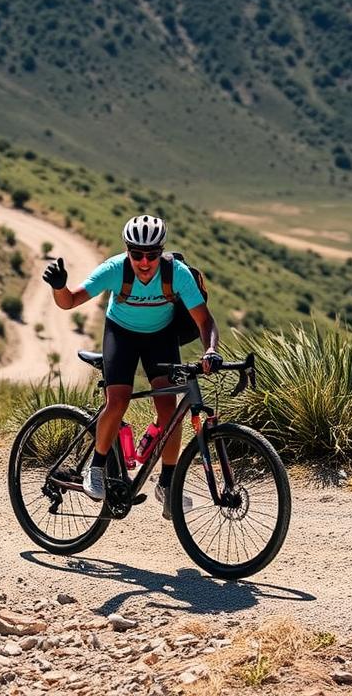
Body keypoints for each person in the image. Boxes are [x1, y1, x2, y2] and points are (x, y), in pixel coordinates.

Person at [41, 214, 221, 519]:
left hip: (160, 338)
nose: (145, 261)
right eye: (137, 254)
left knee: (170, 412)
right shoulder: (115, 269)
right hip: (121, 335)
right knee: (119, 400)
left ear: (161, 251)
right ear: (128, 251)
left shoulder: (176, 273)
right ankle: (96, 467)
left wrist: (211, 350)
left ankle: (166, 484)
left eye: (152, 254)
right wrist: (59, 287)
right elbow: (69, 301)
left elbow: (205, 320)